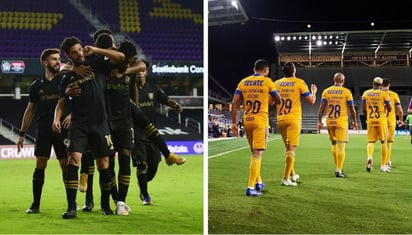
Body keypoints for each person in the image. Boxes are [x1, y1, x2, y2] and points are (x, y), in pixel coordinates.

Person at [53, 36, 125, 219]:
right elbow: (61, 102)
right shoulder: (68, 77)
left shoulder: (97, 64)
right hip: (79, 124)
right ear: (68, 55)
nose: (78, 53)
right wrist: (56, 119)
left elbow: (121, 57)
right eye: (73, 52)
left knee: (104, 164)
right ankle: (71, 207)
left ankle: (106, 205)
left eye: (79, 49)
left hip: (100, 123)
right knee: (73, 160)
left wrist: (96, 50)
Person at [17, 48, 71, 214]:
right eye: (54, 59)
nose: (58, 61)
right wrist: (21, 134)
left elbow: (80, 99)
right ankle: (35, 204)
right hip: (43, 129)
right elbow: (30, 111)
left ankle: (71, 205)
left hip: (62, 129)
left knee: (65, 165)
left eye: (58, 58)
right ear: (45, 62)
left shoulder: (65, 80)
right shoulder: (36, 85)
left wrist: (72, 115)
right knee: (40, 163)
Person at [133, 59, 184, 204]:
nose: (139, 74)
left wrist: (175, 106)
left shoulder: (152, 88)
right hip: (136, 132)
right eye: (136, 72)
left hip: (152, 133)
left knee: (153, 167)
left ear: (146, 72)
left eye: (142, 71)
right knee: (141, 163)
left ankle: (142, 183)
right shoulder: (130, 89)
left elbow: (165, 100)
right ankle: (145, 195)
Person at [231, 59, 281, 196]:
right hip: (260, 120)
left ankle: (259, 181)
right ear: (266, 71)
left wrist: (234, 123)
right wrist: (268, 101)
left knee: (255, 153)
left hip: (247, 120)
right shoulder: (268, 81)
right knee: (257, 154)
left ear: (254, 68)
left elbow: (234, 103)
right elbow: (279, 100)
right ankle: (250, 187)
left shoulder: (243, 82)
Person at [274, 62, 317, 186]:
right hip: (293, 119)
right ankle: (286, 178)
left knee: (288, 148)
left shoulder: (277, 83)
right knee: (291, 149)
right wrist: (314, 91)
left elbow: (272, 101)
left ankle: (292, 174)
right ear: (294, 71)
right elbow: (311, 101)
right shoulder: (300, 82)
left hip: (281, 118)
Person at [317, 72, 358, 178]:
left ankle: (337, 166)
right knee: (341, 146)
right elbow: (352, 109)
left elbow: (321, 107)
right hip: (341, 122)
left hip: (329, 121)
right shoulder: (346, 92)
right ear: (343, 81)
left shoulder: (326, 91)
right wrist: (354, 121)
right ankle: (338, 170)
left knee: (333, 144)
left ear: (333, 80)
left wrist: (319, 121)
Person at [361, 77, 391, 173]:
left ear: (372, 83)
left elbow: (363, 108)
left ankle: (369, 156)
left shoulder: (366, 93)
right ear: (381, 85)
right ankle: (383, 166)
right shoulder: (384, 94)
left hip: (371, 119)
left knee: (371, 141)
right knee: (383, 142)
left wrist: (367, 117)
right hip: (381, 120)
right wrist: (386, 108)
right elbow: (389, 108)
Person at [382, 78, 403, 169]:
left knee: (383, 143)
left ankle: (386, 161)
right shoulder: (394, 95)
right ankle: (386, 162)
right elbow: (400, 110)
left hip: (381, 121)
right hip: (391, 121)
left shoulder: (379, 94)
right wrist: (401, 120)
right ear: (389, 85)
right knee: (389, 143)